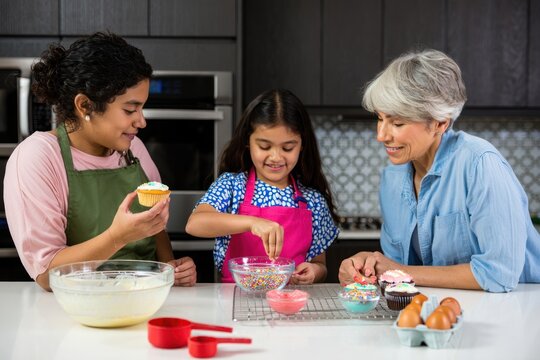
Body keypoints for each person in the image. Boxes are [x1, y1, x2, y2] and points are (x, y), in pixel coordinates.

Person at [4, 32, 196, 291]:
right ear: (84, 105)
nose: (141, 121)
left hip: (144, 301)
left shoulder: (133, 148)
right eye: (130, 109)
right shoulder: (38, 158)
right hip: (76, 309)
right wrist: (117, 237)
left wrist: (171, 267)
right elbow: (48, 274)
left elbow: (155, 225)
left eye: (142, 108)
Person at [339, 49, 540, 293]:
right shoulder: (391, 180)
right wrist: (370, 266)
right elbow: (397, 271)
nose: (381, 135)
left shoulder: (479, 164)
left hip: (518, 310)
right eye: (380, 119)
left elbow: (499, 274)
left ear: (440, 122)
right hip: (442, 311)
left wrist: (399, 271)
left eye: (398, 123)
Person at [185, 89, 339, 284]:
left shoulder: (313, 201)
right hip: (234, 300)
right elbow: (194, 224)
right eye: (265, 147)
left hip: (290, 305)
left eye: (287, 148)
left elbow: (320, 264)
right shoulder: (232, 186)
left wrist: (315, 271)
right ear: (248, 142)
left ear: (302, 145)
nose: (276, 157)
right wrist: (252, 223)